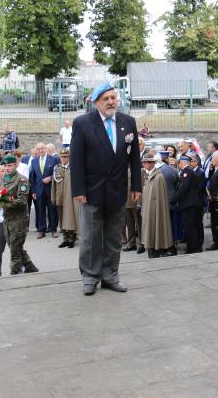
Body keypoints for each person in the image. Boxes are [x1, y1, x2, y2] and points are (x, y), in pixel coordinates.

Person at [70, 82, 142, 296]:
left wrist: (136, 185)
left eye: (113, 98)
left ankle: (110, 275)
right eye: (106, 99)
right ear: (95, 103)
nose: (111, 102)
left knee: (113, 236)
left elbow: (134, 158)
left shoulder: (128, 122)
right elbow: (76, 160)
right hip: (92, 190)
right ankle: (90, 277)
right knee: (91, 237)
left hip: (118, 189)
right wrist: (78, 190)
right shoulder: (83, 123)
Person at [0, 155, 39, 275]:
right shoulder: (3, 179)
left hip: (19, 219)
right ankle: (29, 266)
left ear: (16, 165)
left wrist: (3, 203)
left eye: (10, 165)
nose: (7, 168)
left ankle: (15, 273)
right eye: (5, 166)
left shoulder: (22, 180)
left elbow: (22, 201)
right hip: (7, 218)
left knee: (15, 249)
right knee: (13, 246)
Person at [140, 154, 173, 258]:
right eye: (144, 162)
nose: (143, 164)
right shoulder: (148, 175)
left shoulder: (158, 177)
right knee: (149, 230)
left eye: (145, 162)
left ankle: (156, 250)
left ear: (152, 163)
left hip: (154, 210)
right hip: (148, 209)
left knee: (155, 228)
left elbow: (160, 198)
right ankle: (151, 249)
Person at [171, 155, 203, 254]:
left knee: (190, 226)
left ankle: (193, 247)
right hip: (192, 203)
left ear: (182, 163)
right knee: (193, 225)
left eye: (179, 163)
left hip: (189, 204)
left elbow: (183, 188)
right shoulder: (189, 171)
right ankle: (195, 246)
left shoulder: (187, 172)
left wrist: (173, 199)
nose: (178, 164)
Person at [30, 142, 59, 239]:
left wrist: (50, 178)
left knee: (52, 210)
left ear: (45, 149)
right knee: (40, 210)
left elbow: (58, 173)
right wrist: (33, 191)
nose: (40, 150)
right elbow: (32, 177)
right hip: (39, 190)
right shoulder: (34, 161)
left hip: (50, 189)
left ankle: (53, 229)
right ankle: (41, 230)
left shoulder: (54, 159)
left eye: (42, 148)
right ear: (36, 151)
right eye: (38, 149)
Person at [51, 148, 79, 248]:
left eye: (65, 157)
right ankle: (65, 238)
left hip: (70, 198)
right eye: (62, 157)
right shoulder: (57, 168)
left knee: (71, 217)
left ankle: (72, 238)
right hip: (60, 197)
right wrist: (53, 197)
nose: (63, 159)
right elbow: (53, 184)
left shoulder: (73, 168)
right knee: (61, 219)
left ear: (69, 157)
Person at [158, 151, 179, 256]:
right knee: (171, 226)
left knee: (163, 226)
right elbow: (177, 184)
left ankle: (164, 247)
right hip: (171, 202)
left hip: (160, 203)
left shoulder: (157, 170)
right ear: (167, 158)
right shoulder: (173, 170)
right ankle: (172, 247)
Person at [206, 151, 218, 250]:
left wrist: (212, 196)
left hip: (217, 200)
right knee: (214, 222)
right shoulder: (215, 168)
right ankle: (216, 241)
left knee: (217, 222)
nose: (211, 160)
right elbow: (212, 181)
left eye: (213, 158)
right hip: (213, 199)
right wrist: (210, 170)